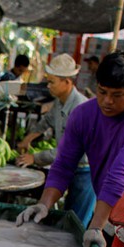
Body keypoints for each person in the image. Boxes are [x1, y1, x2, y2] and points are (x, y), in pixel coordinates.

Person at [15, 50, 124, 247]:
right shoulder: (83, 115)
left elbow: (122, 172)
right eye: (102, 91)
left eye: (117, 95)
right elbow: (63, 164)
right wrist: (44, 204)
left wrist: (94, 226)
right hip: (110, 216)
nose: (107, 101)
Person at [15, 53, 95, 227]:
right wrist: (28, 138)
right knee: (66, 216)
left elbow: (69, 151)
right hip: (68, 169)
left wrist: (34, 158)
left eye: (52, 82)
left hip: (85, 172)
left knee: (76, 223)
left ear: (67, 82)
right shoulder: (60, 102)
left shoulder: (81, 108)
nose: (48, 86)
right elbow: (46, 121)